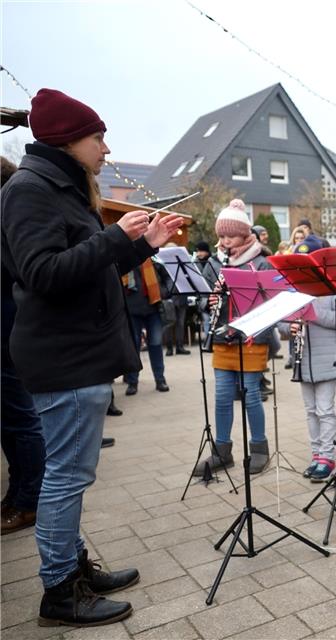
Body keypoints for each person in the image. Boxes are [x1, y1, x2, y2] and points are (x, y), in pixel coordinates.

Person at [1, 88, 182, 626]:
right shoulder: (31, 190)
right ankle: (60, 591)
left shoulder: (56, 186)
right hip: (64, 355)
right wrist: (111, 238)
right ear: (68, 140)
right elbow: (42, 273)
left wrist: (141, 243)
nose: (106, 148)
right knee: (64, 477)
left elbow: (84, 268)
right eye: (98, 137)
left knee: (67, 473)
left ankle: (74, 565)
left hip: (75, 350)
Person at [193, 199, 272, 477]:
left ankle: (260, 450)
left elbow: (271, 303)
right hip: (221, 337)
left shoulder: (261, 261)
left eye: (230, 236)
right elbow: (201, 299)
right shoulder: (214, 263)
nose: (225, 242)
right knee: (223, 396)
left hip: (252, 338)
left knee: (251, 395)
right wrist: (211, 300)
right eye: (221, 236)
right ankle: (222, 452)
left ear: (245, 234)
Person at [1, 155, 46, 537]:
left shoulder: (12, 219)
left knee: (21, 419)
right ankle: (18, 492)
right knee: (11, 421)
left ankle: (28, 499)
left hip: (8, 331)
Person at [294, 289, 336, 482]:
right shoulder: (297, 291)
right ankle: (316, 454)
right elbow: (283, 324)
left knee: (324, 410)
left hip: (329, 359)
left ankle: (327, 457)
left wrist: (312, 312)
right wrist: (290, 327)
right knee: (310, 411)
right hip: (304, 360)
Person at [121, 256, 170, 395]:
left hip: (153, 308)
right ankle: (132, 382)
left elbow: (168, 278)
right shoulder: (123, 258)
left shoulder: (154, 259)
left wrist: (164, 292)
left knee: (155, 344)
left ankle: (160, 380)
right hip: (131, 309)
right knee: (133, 347)